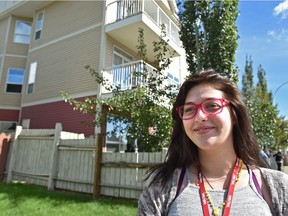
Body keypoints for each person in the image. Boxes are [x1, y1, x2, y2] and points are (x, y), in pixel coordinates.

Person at [137, 69, 288, 216]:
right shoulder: (162, 184)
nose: (199, 117)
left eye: (211, 106)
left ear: (234, 114)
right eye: (189, 109)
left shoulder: (276, 186)